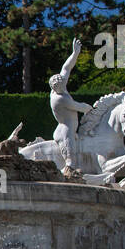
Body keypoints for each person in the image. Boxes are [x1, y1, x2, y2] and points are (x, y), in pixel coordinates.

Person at [49, 38, 90, 173]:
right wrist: (89, 108)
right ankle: (69, 166)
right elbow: (78, 106)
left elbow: (66, 68)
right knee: (69, 140)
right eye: (60, 88)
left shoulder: (61, 84)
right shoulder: (58, 99)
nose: (62, 88)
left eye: (63, 85)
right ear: (54, 88)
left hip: (71, 124)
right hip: (66, 126)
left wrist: (75, 54)